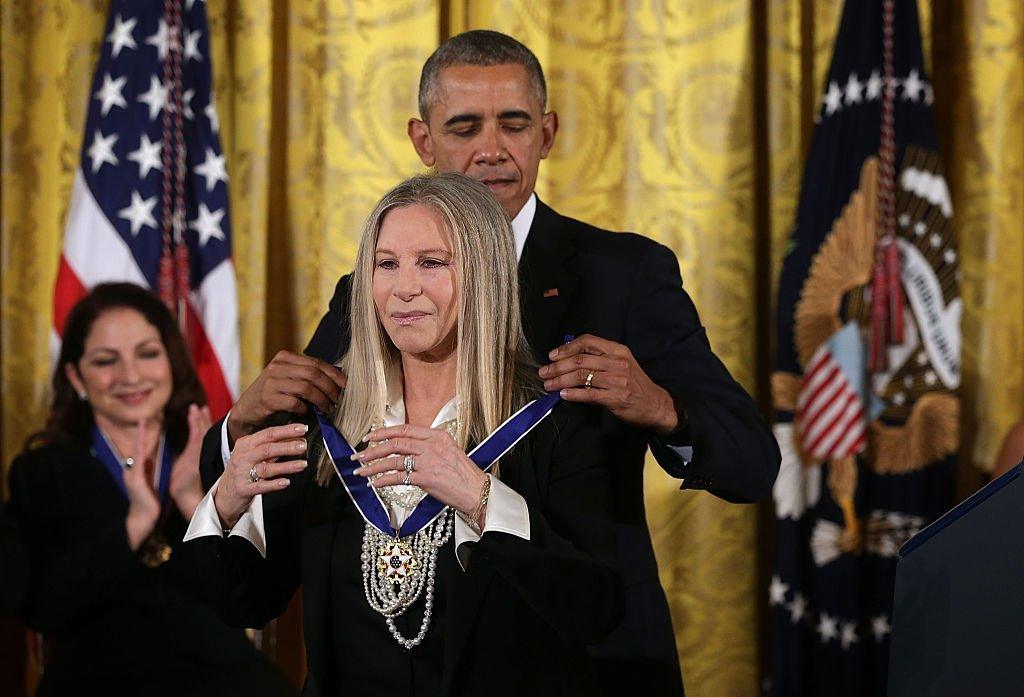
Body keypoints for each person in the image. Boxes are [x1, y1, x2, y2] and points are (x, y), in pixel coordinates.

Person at [207, 31, 780, 695]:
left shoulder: (625, 275)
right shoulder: (377, 290)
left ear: (548, 131)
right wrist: (236, 428)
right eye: (464, 126)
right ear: (424, 142)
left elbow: (752, 461)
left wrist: (662, 407)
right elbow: (302, 472)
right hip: (402, 659)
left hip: (584, 657)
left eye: (513, 124)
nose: (491, 150)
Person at [184, 173, 622, 696]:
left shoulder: (558, 424)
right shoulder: (327, 429)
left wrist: (480, 498)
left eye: (432, 263)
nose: (403, 287)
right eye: (385, 264)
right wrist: (226, 502)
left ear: (485, 276)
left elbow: (596, 611)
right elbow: (245, 603)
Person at [6, 283, 293, 697]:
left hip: (218, 677)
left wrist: (196, 501)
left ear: (172, 362)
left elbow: (251, 598)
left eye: (147, 354)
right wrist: (135, 522)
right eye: (106, 361)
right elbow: (45, 608)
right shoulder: (45, 472)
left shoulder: (215, 454)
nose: (131, 376)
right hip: (95, 676)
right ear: (75, 376)